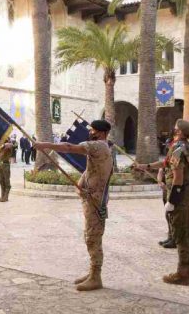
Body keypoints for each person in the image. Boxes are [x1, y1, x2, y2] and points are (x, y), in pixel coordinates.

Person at [34, 120, 113, 291]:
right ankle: (93, 272)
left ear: (100, 132)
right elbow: (91, 169)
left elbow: (69, 147)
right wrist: (82, 183)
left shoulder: (98, 146)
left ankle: (95, 276)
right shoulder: (103, 147)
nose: (90, 132)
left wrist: (45, 145)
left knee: (93, 237)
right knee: (90, 235)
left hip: (95, 201)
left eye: (92, 130)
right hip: (93, 198)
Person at [134, 119, 189, 286]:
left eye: (175, 128)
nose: (173, 129)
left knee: (181, 235)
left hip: (180, 195)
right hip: (187, 194)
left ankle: (183, 274)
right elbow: (166, 164)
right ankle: (185, 272)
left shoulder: (179, 149)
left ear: (179, 131)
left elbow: (178, 176)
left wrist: (172, 200)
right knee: (186, 232)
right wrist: (146, 166)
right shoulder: (188, 146)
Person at [0, 138, 13, 202]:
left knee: (6, 182)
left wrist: (3, 144)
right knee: (1, 181)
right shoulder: (0, 146)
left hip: (5, 165)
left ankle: (6, 197)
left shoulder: (8, 145)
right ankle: (2, 196)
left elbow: (10, 146)